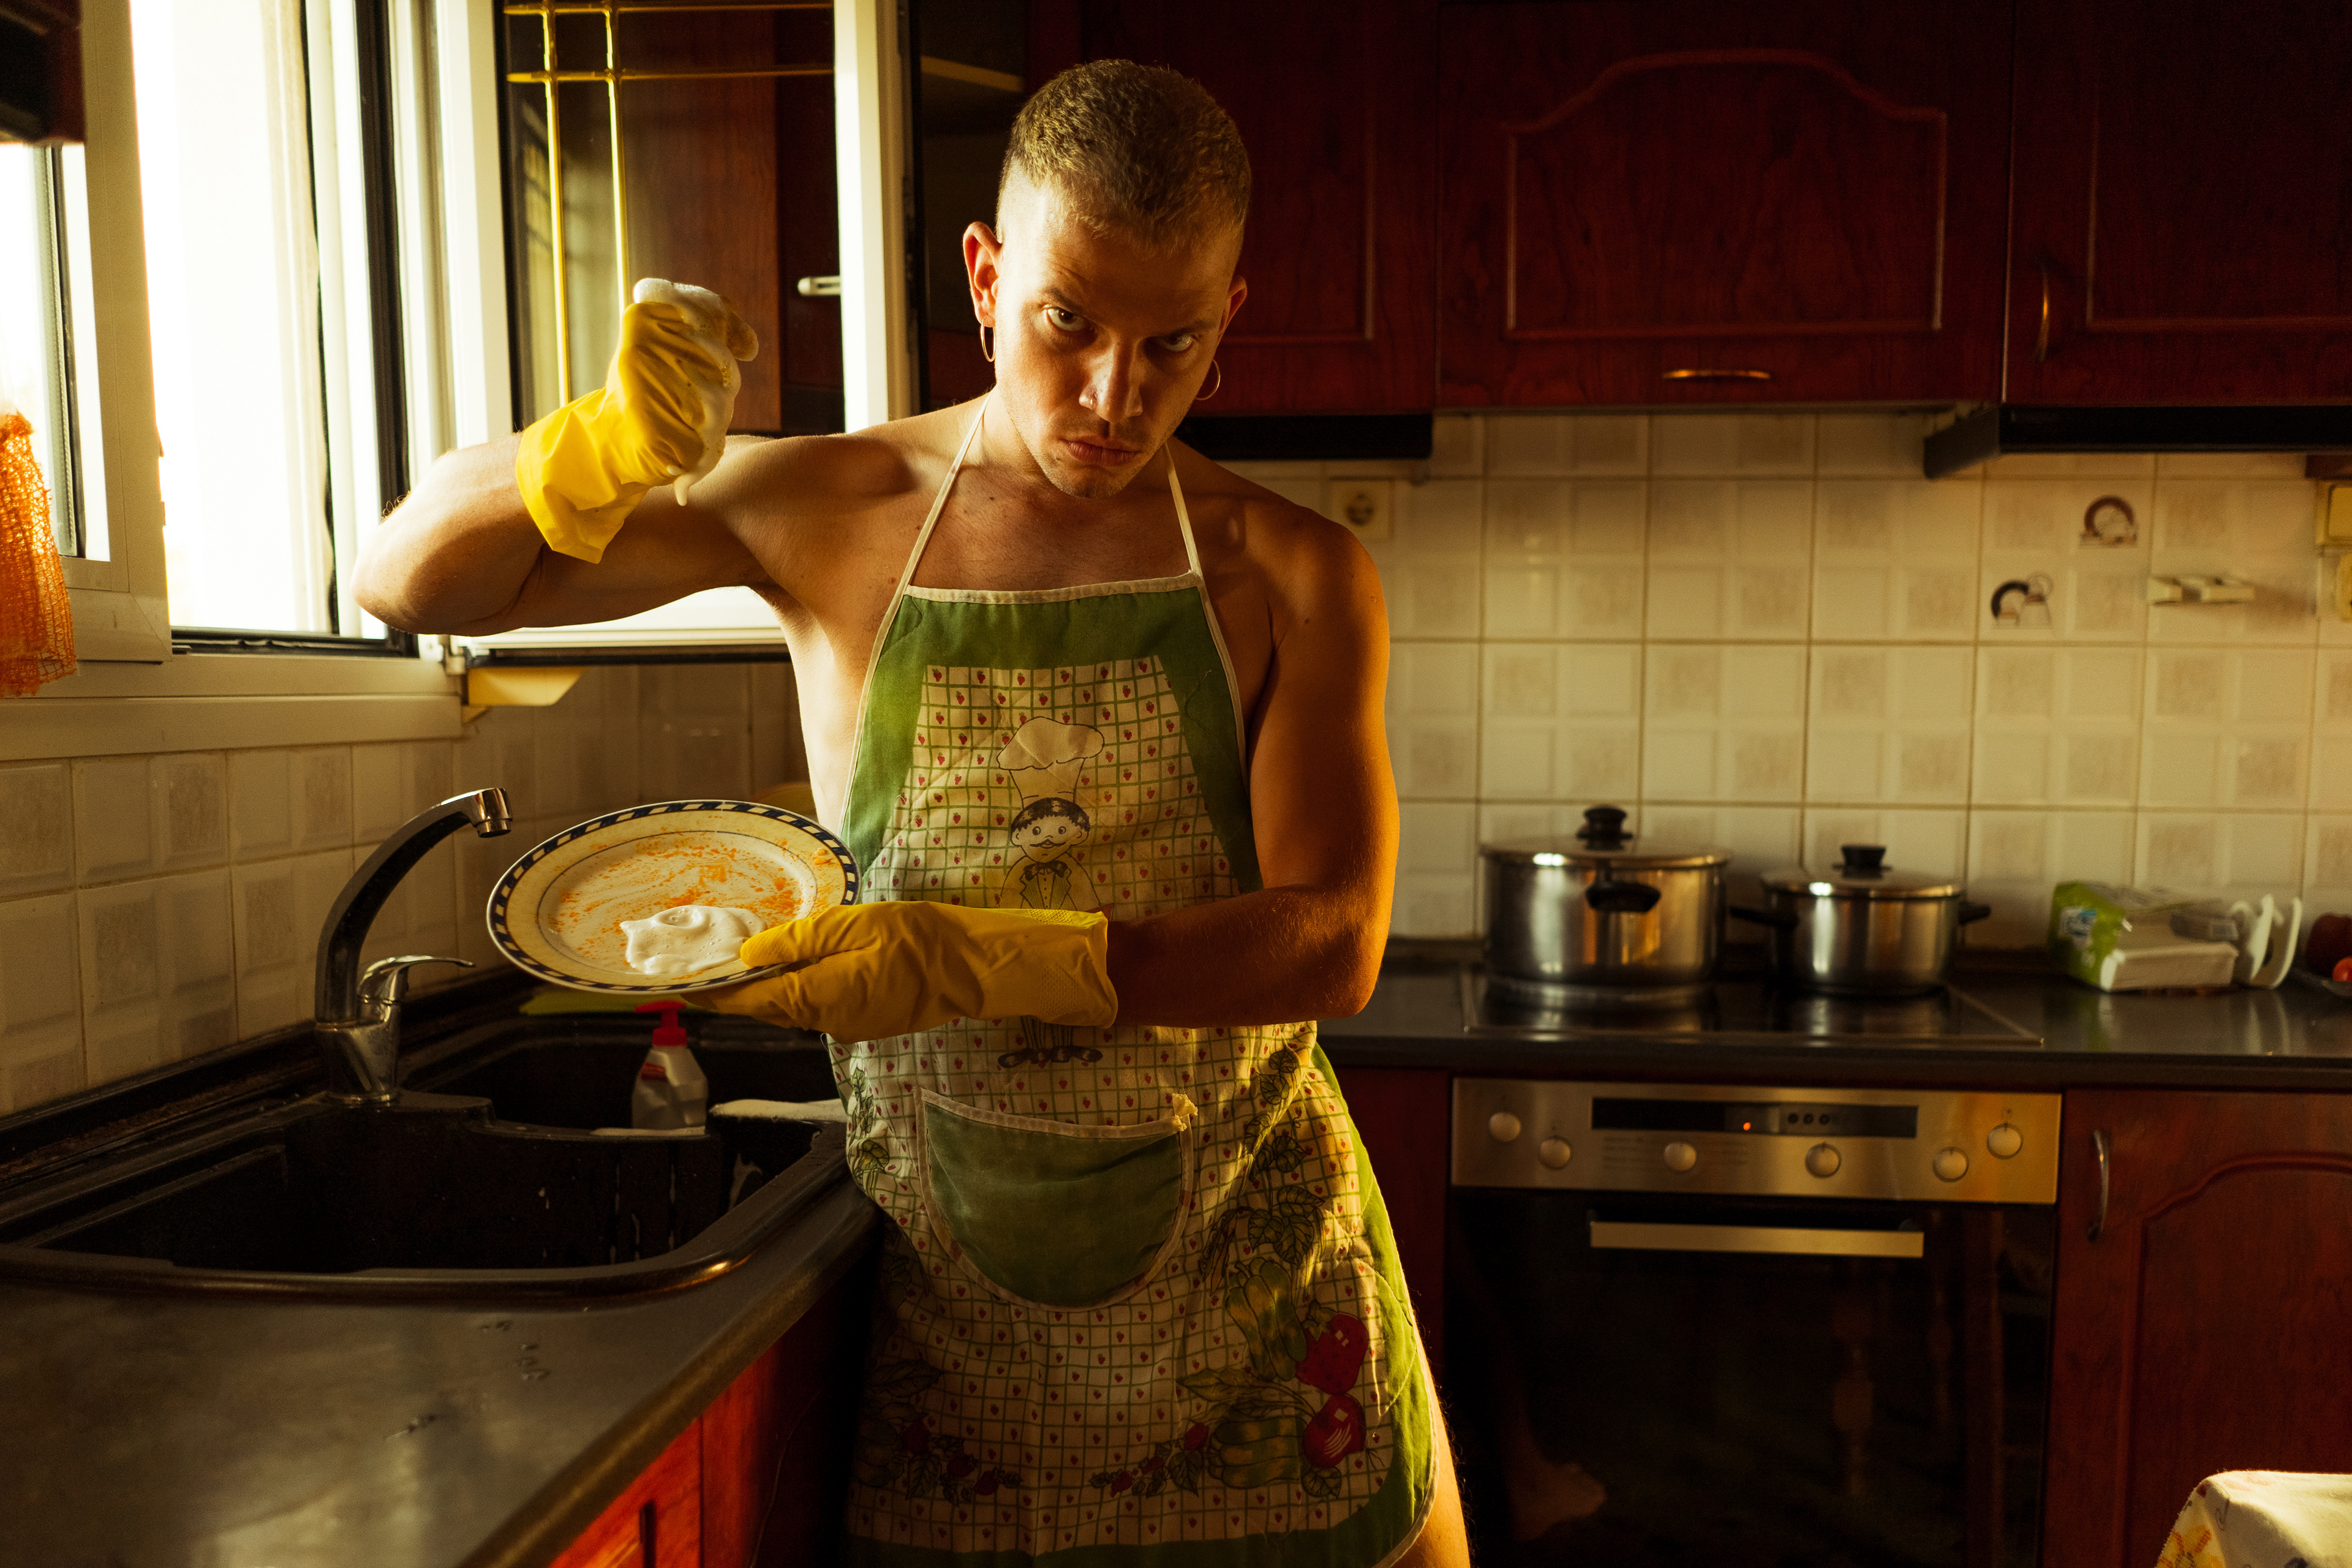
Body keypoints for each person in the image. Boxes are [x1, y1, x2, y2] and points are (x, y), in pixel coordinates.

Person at [358, 59, 1467, 1567]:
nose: (1114, 395)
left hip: (1262, 1305)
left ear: (1230, 317)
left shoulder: (1291, 567)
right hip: (962, 1340)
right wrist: (599, 446)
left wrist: (978, 958)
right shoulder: (832, 505)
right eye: (1069, 322)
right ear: (986, 276)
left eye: (1174, 343)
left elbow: (1331, 941)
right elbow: (407, 580)